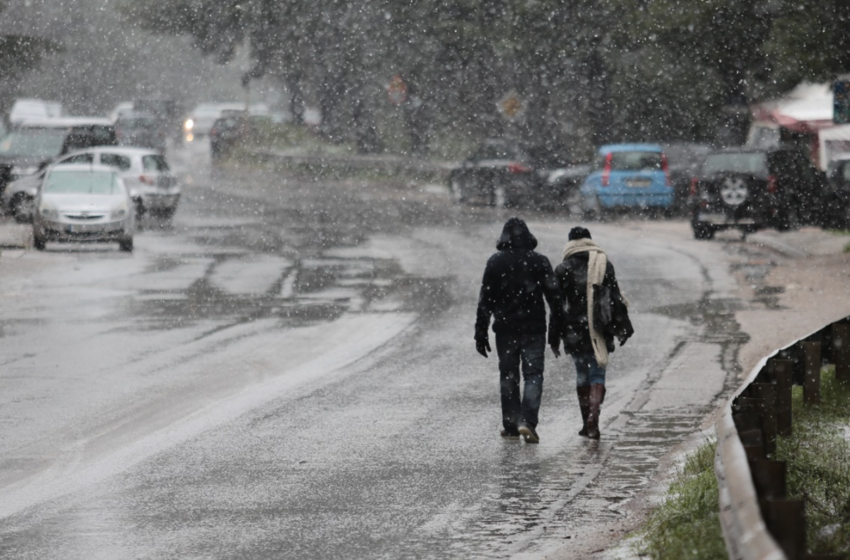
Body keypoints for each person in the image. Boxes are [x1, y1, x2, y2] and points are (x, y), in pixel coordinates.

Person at [475, 217, 562, 443]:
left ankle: (512, 424)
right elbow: (555, 300)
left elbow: (485, 301)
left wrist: (481, 332)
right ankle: (528, 421)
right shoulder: (540, 262)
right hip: (534, 329)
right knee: (534, 375)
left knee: (509, 376)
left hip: (505, 330)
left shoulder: (495, 262)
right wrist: (555, 334)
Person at [555, 226, 633, 440]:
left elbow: (557, 307)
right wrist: (622, 328)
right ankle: (593, 418)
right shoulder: (603, 263)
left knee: (582, 374)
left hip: (574, 330)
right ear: (590, 241)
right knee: (598, 374)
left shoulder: (563, 268)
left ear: (570, 243)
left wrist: (554, 336)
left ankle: (585, 421)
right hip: (599, 327)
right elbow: (615, 297)